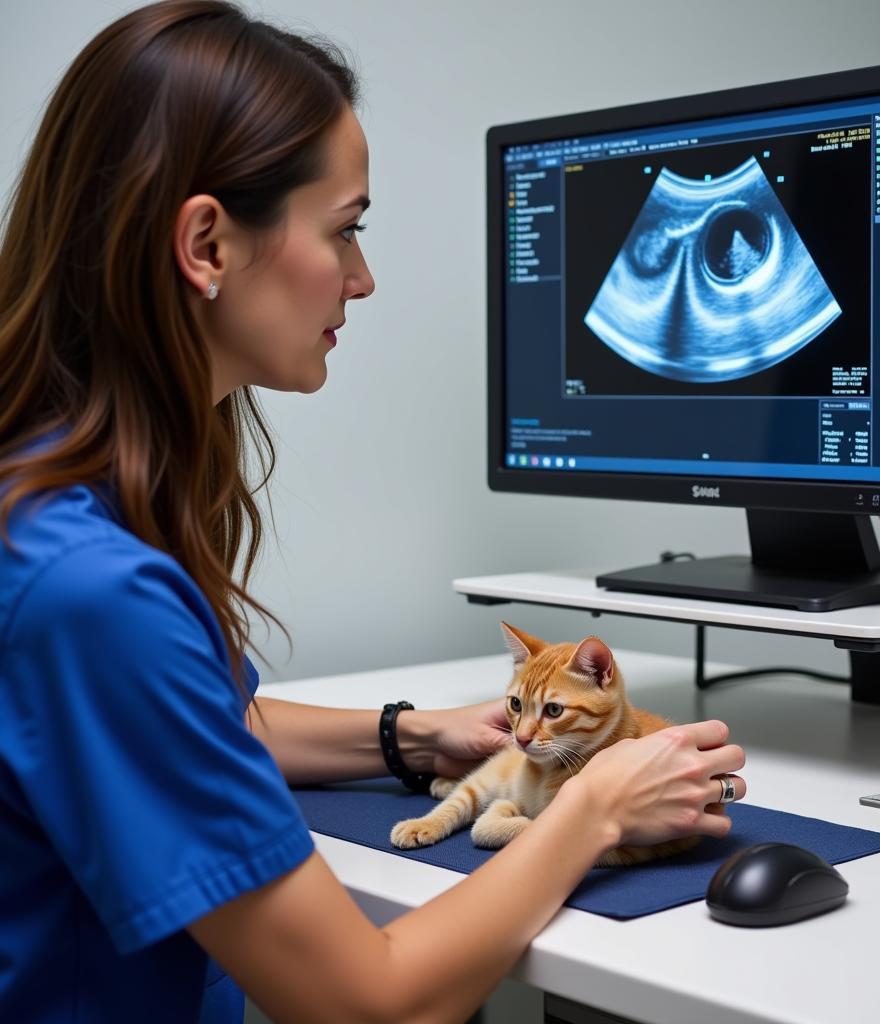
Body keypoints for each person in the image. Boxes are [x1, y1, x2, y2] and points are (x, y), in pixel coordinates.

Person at [0, 3, 747, 1022]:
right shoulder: (90, 592)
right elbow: (370, 1005)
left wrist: (410, 735)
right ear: (206, 243)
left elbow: (189, 731)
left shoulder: (41, 500)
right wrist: (593, 809)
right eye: (344, 230)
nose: (362, 277)